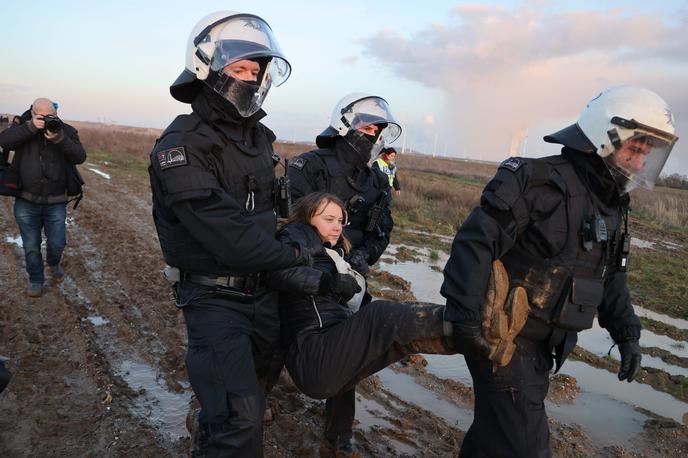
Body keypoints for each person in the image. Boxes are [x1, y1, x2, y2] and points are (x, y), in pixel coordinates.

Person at [440, 85, 678, 457]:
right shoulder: (537, 180)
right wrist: (466, 319)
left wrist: (627, 334)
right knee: (525, 448)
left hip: (544, 349)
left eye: (646, 154)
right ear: (605, 136)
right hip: (502, 339)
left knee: (495, 439)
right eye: (634, 149)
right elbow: (475, 244)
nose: (638, 163)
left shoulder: (613, 205)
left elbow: (610, 276)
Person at [148, 11, 306, 456]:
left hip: (263, 295)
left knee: (250, 402)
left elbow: (274, 213)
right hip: (214, 301)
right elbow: (228, 234)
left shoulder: (261, 141)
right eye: (240, 69)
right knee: (239, 425)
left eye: (256, 71)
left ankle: (207, 426)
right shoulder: (182, 144)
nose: (251, 79)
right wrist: (297, 254)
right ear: (207, 68)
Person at [268, 192, 454, 455]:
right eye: (328, 218)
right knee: (379, 315)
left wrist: (356, 267)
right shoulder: (296, 235)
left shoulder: (333, 251)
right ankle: (460, 321)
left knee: (398, 343)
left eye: (341, 220)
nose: (337, 226)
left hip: (326, 354)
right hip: (310, 352)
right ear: (308, 217)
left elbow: (355, 294)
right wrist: (327, 283)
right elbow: (278, 272)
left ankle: (471, 334)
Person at [287, 93, 401, 453]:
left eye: (378, 130)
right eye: (367, 127)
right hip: (300, 270)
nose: (373, 136)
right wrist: (321, 260)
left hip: (350, 276)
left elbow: (380, 230)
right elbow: (287, 220)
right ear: (344, 126)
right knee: (270, 337)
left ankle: (339, 431)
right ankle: (252, 403)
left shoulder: (377, 182)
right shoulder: (308, 167)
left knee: (348, 350)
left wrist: (360, 258)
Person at [0, 98, 86, 297]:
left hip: (55, 201)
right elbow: (4, 141)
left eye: (52, 116)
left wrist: (59, 138)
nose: (48, 119)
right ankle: (36, 280)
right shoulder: (22, 127)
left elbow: (80, 157)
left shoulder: (66, 130)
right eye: (42, 116)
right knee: (31, 246)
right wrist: (30, 127)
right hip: (25, 200)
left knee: (57, 244)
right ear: (32, 113)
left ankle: (54, 262)